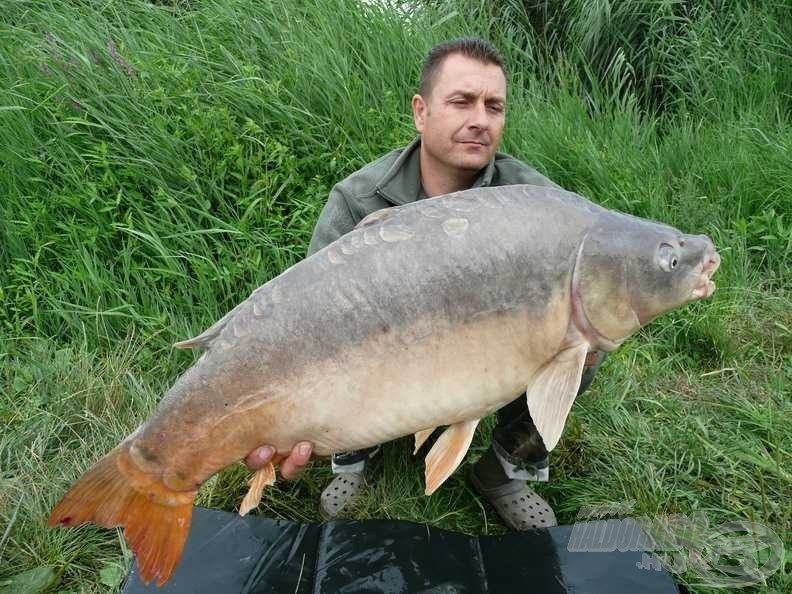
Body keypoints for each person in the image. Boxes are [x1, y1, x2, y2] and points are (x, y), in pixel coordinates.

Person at [246, 38, 605, 530]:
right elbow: (310, 324)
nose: (480, 119)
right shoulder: (359, 200)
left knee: (583, 340)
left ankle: (505, 469)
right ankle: (352, 454)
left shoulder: (536, 204)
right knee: (343, 336)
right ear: (421, 112)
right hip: (386, 355)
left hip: (492, 346)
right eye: (462, 102)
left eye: (493, 106)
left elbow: (601, 258)